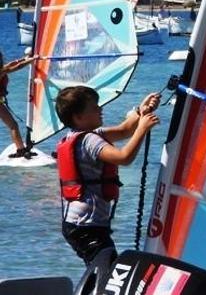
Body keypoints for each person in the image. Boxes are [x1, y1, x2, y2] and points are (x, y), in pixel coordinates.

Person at [56, 86, 160, 292]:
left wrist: (141, 110)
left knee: (103, 272)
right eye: (95, 108)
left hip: (79, 225)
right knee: (108, 274)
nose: (100, 109)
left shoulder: (85, 135)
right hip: (87, 226)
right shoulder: (89, 140)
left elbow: (124, 129)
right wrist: (142, 129)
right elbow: (124, 157)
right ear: (78, 117)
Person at [0, 51, 35, 157]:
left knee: (13, 125)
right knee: (13, 125)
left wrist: (25, 58)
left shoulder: (2, 70)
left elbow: (12, 64)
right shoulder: (1, 71)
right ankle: (21, 150)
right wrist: (32, 60)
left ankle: (21, 149)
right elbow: (17, 67)